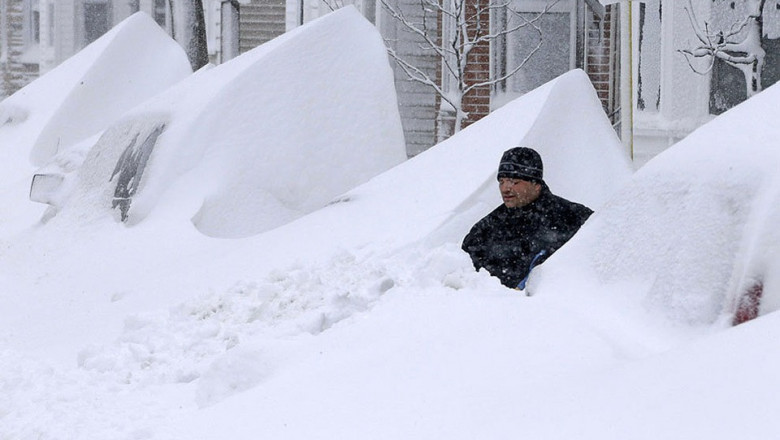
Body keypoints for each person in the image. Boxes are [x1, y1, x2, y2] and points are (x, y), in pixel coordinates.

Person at [461, 147, 593, 289]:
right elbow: (462, 278)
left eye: (514, 182)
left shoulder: (575, 218)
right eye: (501, 181)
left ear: (536, 185)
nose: (505, 188)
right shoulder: (484, 231)